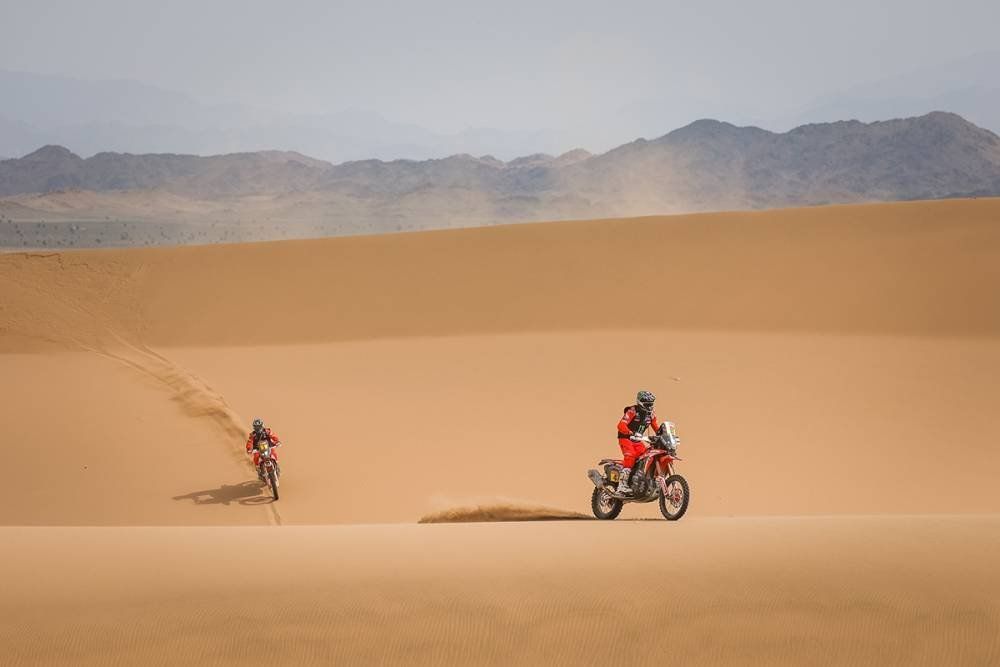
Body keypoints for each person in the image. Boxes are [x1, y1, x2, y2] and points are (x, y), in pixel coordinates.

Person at [615, 390, 661, 494]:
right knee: (630, 456)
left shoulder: (651, 414)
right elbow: (621, 425)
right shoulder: (632, 411)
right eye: (647, 404)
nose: (650, 406)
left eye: (651, 404)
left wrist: (664, 434)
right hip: (626, 438)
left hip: (638, 440)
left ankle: (641, 480)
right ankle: (622, 485)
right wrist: (630, 432)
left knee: (647, 456)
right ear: (641, 402)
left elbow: (656, 427)